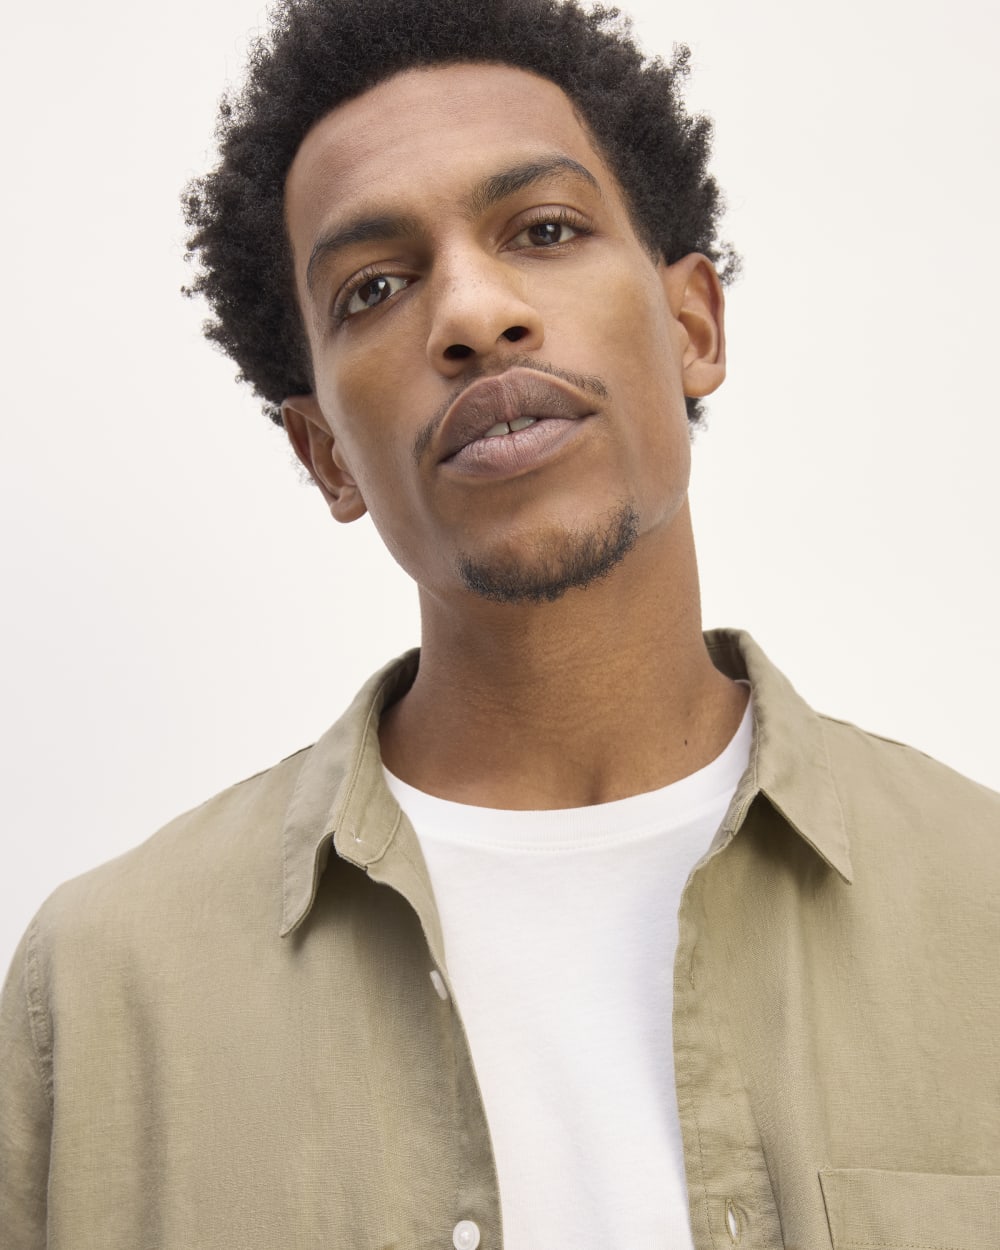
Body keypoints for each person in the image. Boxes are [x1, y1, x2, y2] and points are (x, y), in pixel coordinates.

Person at [2, 0, 998, 1247]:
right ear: (325, 454)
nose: (475, 314)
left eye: (544, 229)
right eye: (374, 286)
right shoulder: (100, 991)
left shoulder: (982, 903)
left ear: (691, 326)